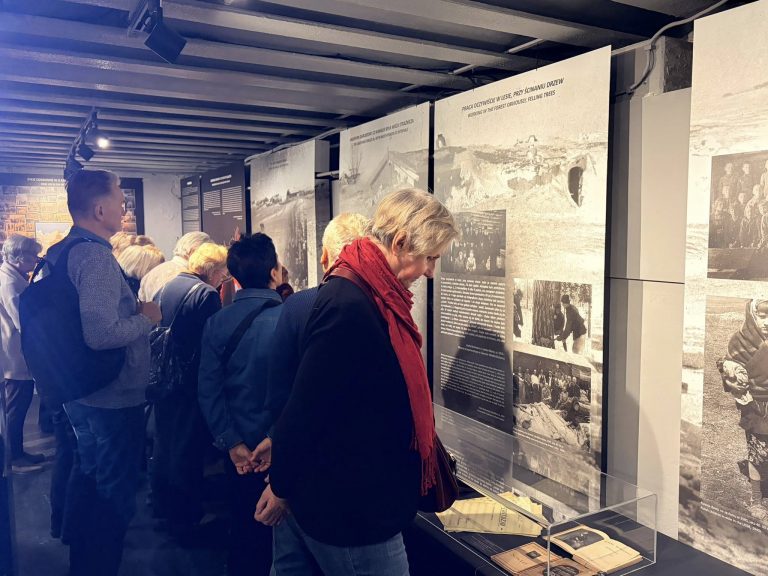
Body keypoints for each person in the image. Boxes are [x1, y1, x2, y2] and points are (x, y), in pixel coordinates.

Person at [267, 189, 458, 576]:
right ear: (400, 242)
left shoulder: (365, 291)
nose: (430, 271)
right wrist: (281, 486)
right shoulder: (351, 305)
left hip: (344, 499)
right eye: (430, 258)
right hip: (353, 514)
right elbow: (305, 410)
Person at [45, 170, 162, 576]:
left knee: (90, 478)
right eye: (119, 200)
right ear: (99, 209)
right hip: (110, 396)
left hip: (83, 390)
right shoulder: (94, 257)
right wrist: (147, 318)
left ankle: (84, 561)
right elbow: (100, 334)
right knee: (113, 494)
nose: (124, 209)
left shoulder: (64, 250)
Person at [248, 212, 370, 502]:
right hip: (364, 462)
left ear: (325, 256)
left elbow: (279, 393)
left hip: (311, 461)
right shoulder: (385, 307)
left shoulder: (299, 306)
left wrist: (280, 447)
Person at [197, 234, 283, 576]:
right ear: (274, 272)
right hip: (279, 448)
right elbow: (299, 391)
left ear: (233, 277)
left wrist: (231, 442)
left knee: (244, 528)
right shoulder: (291, 319)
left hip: (240, 452)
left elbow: (208, 389)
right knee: (282, 538)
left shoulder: (217, 322)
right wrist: (275, 437)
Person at [151, 242, 228, 538]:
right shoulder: (206, 294)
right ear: (213, 269)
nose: (225, 277)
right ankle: (186, 517)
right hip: (188, 381)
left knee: (165, 443)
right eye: (223, 271)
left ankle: (162, 505)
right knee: (187, 447)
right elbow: (211, 339)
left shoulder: (170, 285)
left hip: (165, 378)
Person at [717, 299, 768, 522]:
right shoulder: (740, 341)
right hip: (756, 407)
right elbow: (728, 369)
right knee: (758, 454)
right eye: (762, 316)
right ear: (753, 316)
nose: (767, 322)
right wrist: (731, 378)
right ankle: (756, 501)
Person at [0, 234, 45, 473]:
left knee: (18, 405)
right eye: (32, 255)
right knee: (16, 407)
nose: (36, 260)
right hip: (15, 353)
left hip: (15, 350)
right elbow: (22, 320)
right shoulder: (9, 282)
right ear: (18, 257)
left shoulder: (11, 276)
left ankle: (16, 453)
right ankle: (14, 457)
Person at [138, 231, 211, 302]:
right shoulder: (189, 278)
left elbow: (143, 306)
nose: (209, 262)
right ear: (193, 250)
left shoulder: (150, 274)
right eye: (208, 255)